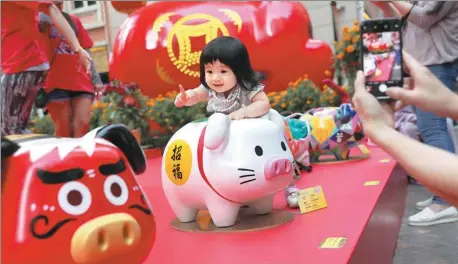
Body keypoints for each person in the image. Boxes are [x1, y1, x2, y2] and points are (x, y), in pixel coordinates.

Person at [371, 0, 458, 226]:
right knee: (429, 128)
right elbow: (405, 19)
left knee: (433, 128)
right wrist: (383, 5)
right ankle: (444, 194)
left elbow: (423, 17)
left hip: (438, 64)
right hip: (426, 64)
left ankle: (445, 202)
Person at [353, 51, 458, 225]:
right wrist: (449, 103)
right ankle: (442, 197)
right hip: (431, 60)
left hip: (435, 57)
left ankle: (443, 201)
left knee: (432, 130)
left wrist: (379, 129)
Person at [1, 1, 92, 135]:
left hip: (23, 63)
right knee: (14, 127)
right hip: (24, 65)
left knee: (8, 129)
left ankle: (34, 153)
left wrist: (77, 48)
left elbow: (51, 8)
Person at [38, 1, 103, 138]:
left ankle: (79, 158)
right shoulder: (41, 21)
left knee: (82, 125)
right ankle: (65, 159)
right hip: (54, 83)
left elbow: (86, 50)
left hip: (81, 81)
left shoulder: (73, 21)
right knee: (64, 131)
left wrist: (96, 79)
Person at [174, 36, 271, 120]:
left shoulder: (246, 86)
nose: (215, 78)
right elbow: (197, 94)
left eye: (223, 71)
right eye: (209, 72)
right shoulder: (209, 88)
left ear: (239, 71)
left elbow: (263, 103)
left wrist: (244, 112)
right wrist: (187, 97)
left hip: (252, 131)